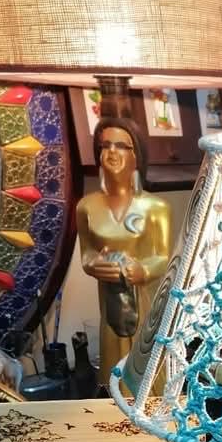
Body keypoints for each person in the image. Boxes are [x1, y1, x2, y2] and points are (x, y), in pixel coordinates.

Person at [77, 118, 171, 387]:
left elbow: (164, 258)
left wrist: (143, 270)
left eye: (121, 146)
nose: (112, 152)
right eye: (105, 145)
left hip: (145, 306)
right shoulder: (86, 207)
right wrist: (94, 264)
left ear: (136, 155)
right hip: (110, 309)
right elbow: (86, 253)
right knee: (113, 372)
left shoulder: (155, 208)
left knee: (147, 371)